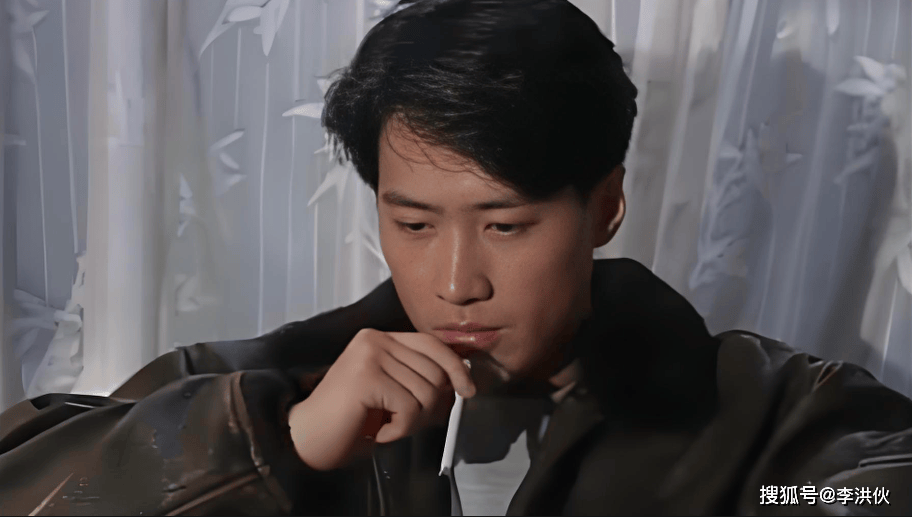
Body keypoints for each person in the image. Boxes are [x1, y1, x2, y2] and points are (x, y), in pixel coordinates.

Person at [2, 0, 911, 515]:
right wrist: (284, 442)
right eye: (413, 224)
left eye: (505, 225)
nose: (454, 283)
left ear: (605, 206)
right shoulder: (269, 383)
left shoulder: (769, 417)